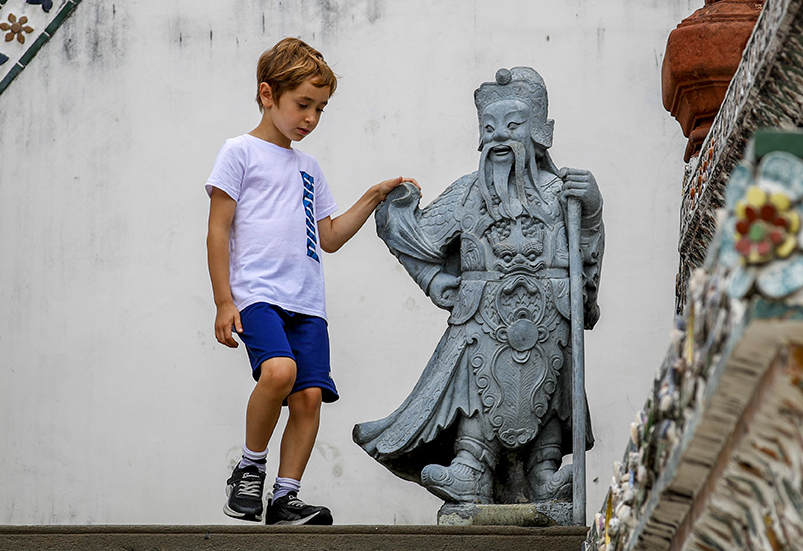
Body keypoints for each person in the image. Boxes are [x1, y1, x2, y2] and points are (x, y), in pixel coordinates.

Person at [354, 66, 603, 505]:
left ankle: (543, 471)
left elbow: (586, 258)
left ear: (541, 132)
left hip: (550, 319)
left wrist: (593, 211)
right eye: (490, 128)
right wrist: (432, 278)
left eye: (514, 126)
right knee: (477, 382)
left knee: (548, 383)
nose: (500, 138)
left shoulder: (561, 194)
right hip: (482, 319)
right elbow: (411, 236)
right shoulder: (467, 194)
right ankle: (470, 467)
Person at [206, 37, 415, 524]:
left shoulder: (309, 168)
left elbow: (330, 237)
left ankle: (284, 497)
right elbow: (218, 230)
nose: (311, 118)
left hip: (308, 304)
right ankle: (250, 468)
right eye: (303, 104)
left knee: (308, 397)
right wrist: (222, 301)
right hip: (257, 295)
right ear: (267, 94)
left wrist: (372, 196)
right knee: (279, 373)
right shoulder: (238, 152)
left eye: (320, 109)